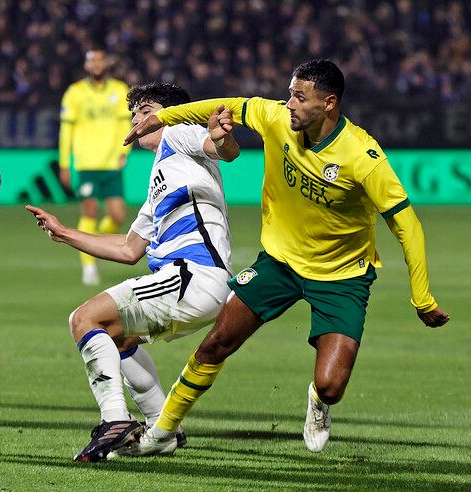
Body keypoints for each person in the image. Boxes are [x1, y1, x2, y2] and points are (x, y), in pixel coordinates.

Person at [121, 59, 450, 456]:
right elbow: (225, 103)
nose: (288, 103)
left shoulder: (362, 156)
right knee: (216, 344)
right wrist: (162, 119)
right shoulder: (275, 117)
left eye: (299, 97)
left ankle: (319, 401)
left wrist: (423, 295)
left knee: (332, 384)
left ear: (328, 104)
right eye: (289, 93)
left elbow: (407, 225)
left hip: (342, 275)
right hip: (278, 263)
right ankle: (162, 431)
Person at [28, 82, 240, 462]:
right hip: (194, 283)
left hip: (192, 274)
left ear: (171, 114)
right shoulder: (161, 181)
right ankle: (163, 428)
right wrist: (64, 233)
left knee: (85, 318)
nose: (137, 119)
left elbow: (221, 149)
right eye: (134, 113)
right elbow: (128, 250)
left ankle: (114, 421)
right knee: (116, 335)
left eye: (146, 110)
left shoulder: (179, 134)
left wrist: (221, 138)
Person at [58, 48, 132, 286]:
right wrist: (64, 164)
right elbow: (66, 130)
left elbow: (127, 124)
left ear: (106, 63)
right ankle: (89, 266)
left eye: (100, 60)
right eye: (92, 60)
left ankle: (96, 241)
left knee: (118, 216)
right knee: (89, 211)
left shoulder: (120, 90)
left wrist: (124, 151)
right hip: (86, 164)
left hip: (111, 162)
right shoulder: (75, 92)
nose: (97, 64)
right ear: (87, 65)